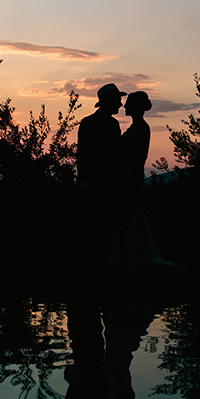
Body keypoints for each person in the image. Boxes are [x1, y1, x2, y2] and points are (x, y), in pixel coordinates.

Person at [107, 91, 184, 276]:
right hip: (126, 176)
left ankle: (133, 259)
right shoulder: (136, 127)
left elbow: (140, 156)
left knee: (130, 216)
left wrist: (129, 176)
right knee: (127, 218)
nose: (124, 106)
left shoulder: (141, 128)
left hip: (131, 177)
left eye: (128, 104)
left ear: (135, 107)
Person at [76, 83, 127, 275]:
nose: (121, 105)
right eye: (118, 101)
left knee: (107, 227)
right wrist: (85, 182)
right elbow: (83, 155)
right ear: (109, 102)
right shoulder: (88, 123)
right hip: (94, 185)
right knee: (93, 228)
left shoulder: (114, 125)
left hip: (110, 186)